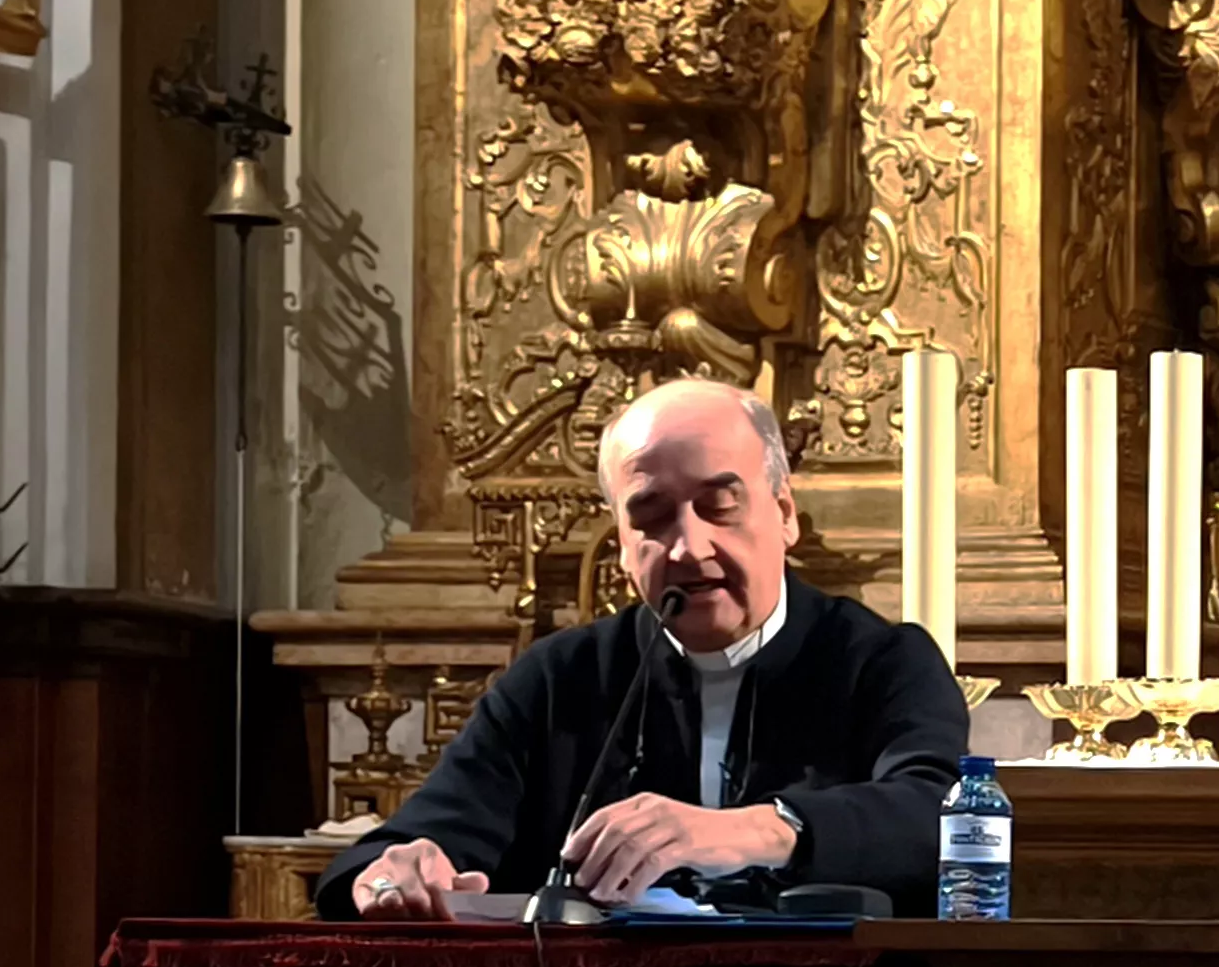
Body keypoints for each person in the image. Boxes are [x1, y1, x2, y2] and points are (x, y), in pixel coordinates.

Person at [319, 377, 970, 919]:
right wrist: (387, 880)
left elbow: (942, 825)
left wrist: (744, 831)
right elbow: (406, 846)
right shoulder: (560, 679)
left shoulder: (883, 662)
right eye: (652, 518)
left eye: (719, 505)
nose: (689, 548)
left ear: (784, 512)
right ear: (624, 545)